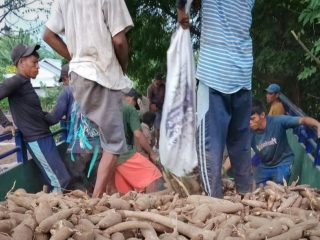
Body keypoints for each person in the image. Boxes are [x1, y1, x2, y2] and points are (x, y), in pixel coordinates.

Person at [43, 0, 134, 197]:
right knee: (114, 144)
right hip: (101, 75)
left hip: (79, 77)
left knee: (106, 141)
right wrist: (122, 67)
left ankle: (107, 191)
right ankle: (96, 201)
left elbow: (48, 35)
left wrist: (75, 57)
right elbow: (119, 40)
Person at [177, 0, 254, 197]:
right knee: (240, 142)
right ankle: (245, 192)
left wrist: (180, 9)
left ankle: (214, 200)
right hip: (243, 74)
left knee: (210, 142)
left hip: (215, 74)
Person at [0, 44, 70, 192]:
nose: (38, 66)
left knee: (59, 179)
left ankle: (52, 207)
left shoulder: (26, 83)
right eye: (34, 62)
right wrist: (6, 123)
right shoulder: (16, 82)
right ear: (21, 62)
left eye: (38, 62)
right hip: (36, 139)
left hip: (44, 137)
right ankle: (52, 211)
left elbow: (34, 112)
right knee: (60, 180)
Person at [250, 99, 320, 186]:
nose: (250, 122)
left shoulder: (277, 122)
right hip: (265, 165)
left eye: (252, 119)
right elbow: (238, 151)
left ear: (262, 115)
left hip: (283, 163)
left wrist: (317, 125)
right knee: (255, 187)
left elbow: (303, 120)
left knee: (279, 188)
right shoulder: (248, 132)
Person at [115, 89, 162, 193]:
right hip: (124, 153)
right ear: (132, 99)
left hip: (109, 156)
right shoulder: (129, 108)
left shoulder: (111, 106)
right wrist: (152, 152)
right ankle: (151, 205)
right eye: (135, 102)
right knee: (151, 173)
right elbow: (138, 134)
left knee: (125, 194)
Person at [45, 64, 74, 134]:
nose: (64, 84)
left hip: (78, 135)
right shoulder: (89, 88)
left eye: (63, 80)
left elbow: (54, 118)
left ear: (66, 78)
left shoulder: (66, 91)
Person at [147, 73, 165, 149]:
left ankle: (162, 143)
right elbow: (149, 100)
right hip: (155, 109)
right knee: (157, 127)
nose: (159, 82)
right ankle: (158, 144)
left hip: (164, 108)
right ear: (155, 80)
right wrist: (151, 106)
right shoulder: (150, 88)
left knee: (164, 126)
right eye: (157, 81)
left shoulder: (164, 86)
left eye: (160, 81)